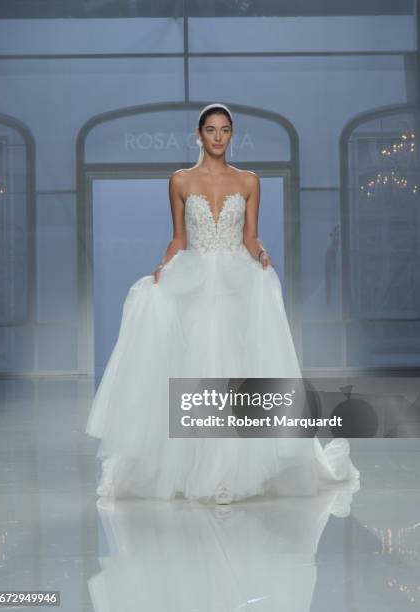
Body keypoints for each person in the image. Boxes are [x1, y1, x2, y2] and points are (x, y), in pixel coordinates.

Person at [85, 103, 360, 505]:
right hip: (194, 281)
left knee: (235, 370)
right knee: (196, 368)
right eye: (211, 129)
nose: (218, 136)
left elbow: (250, 236)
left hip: (235, 282)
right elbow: (179, 237)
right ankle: (193, 467)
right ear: (198, 135)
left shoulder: (249, 181)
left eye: (225, 130)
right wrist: (163, 268)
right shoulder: (180, 181)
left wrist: (261, 254)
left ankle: (230, 472)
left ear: (232, 135)